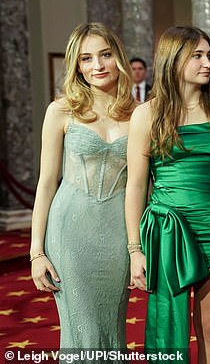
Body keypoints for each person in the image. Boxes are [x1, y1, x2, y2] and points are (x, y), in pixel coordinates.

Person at [125, 25, 210, 364]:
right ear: (173, 60)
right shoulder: (146, 115)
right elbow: (135, 185)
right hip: (167, 233)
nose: (207, 63)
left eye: (209, 55)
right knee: (169, 332)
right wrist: (135, 249)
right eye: (197, 55)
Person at [30, 22, 136, 351]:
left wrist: (138, 247)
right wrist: (36, 252)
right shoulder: (61, 110)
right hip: (70, 233)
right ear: (77, 66)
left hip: (119, 236)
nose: (98, 66)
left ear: (118, 58)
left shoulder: (139, 114)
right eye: (86, 59)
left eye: (105, 55)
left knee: (113, 327)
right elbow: (46, 183)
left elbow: (142, 184)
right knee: (82, 330)